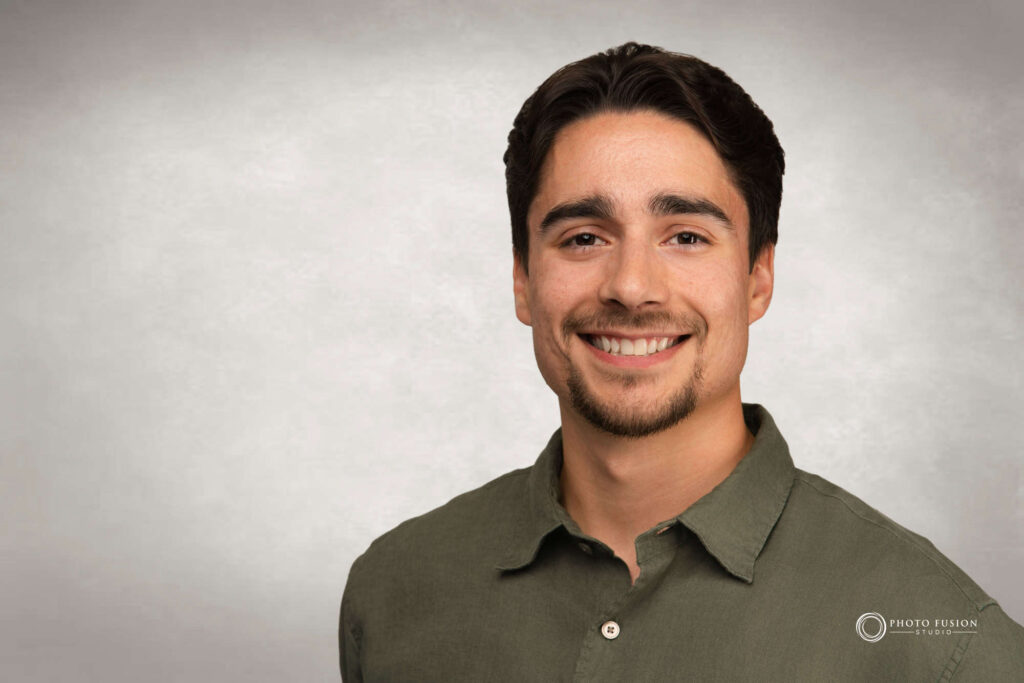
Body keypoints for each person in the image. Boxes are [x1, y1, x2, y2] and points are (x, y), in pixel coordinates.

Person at [339, 43, 1024, 681]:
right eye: (583, 238)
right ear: (523, 279)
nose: (631, 286)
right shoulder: (396, 590)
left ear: (757, 278)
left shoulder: (941, 644)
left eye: (687, 236)